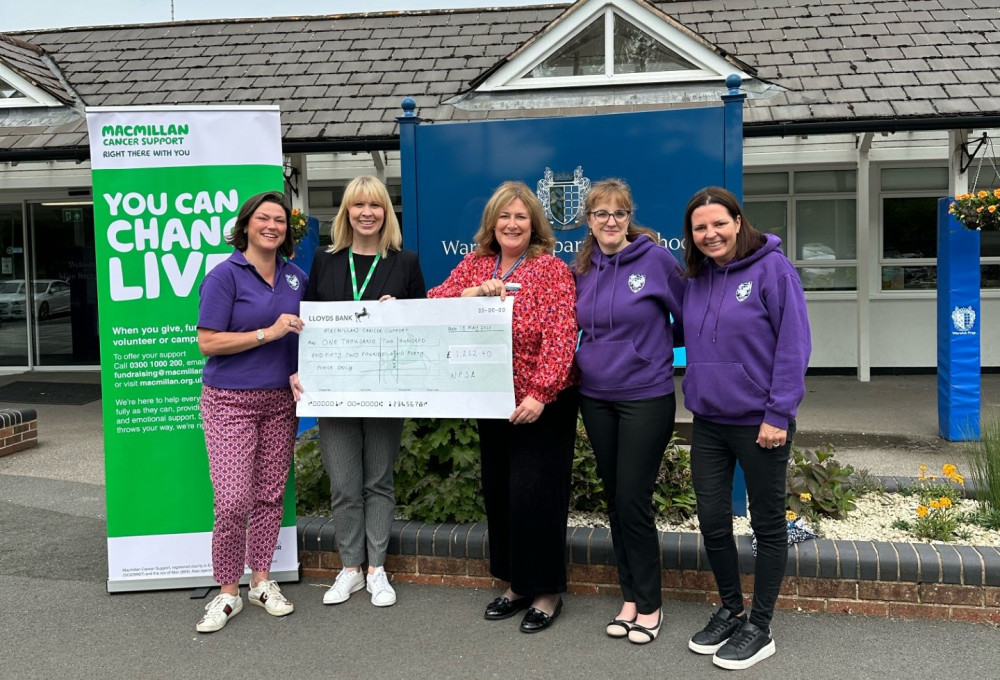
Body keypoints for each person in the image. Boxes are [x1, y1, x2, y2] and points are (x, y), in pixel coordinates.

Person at [428, 181, 578, 634]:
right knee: (502, 494)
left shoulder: (550, 269)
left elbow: (561, 334)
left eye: (521, 216)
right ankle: (515, 584)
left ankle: (547, 591)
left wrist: (540, 393)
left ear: (534, 224)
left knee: (538, 496)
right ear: (492, 223)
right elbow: (435, 303)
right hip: (491, 396)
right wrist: (473, 293)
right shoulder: (475, 265)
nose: (512, 224)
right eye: (505, 216)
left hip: (542, 402)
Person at [680, 186, 811, 670]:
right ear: (691, 236)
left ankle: (761, 624)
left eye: (718, 223)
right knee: (713, 522)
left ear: (738, 221)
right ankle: (732, 610)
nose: (710, 234)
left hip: (760, 422)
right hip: (709, 421)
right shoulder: (696, 279)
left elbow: (794, 344)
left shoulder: (773, 269)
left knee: (766, 525)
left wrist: (778, 413)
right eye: (700, 228)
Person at [290, 175, 425, 608]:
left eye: (376, 205)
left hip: (386, 389)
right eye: (357, 205)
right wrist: (299, 370)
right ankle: (350, 567)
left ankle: (377, 569)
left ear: (387, 212)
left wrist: (401, 313)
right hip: (335, 390)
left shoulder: (405, 262)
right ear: (346, 212)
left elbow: (424, 327)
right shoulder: (327, 261)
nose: (367, 212)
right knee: (345, 483)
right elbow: (308, 324)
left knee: (378, 481)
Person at [572, 179, 684, 645]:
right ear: (589, 220)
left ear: (629, 216)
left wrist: (655, 352)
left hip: (645, 395)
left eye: (618, 213)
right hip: (596, 395)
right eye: (601, 214)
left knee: (634, 500)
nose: (610, 221)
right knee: (616, 499)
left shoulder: (656, 260)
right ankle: (630, 599)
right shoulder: (581, 267)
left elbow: (690, 317)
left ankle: (651, 605)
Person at [195, 190, 307, 633]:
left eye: (280, 220)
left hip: (281, 401)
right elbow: (208, 342)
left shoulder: (296, 276)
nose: (272, 226)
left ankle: (261, 581)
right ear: (246, 224)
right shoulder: (225, 276)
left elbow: (308, 333)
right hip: (230, 401)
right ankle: (226, 592)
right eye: (264, 218)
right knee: (232, 499)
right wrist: (267, 332)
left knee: (268, 495)